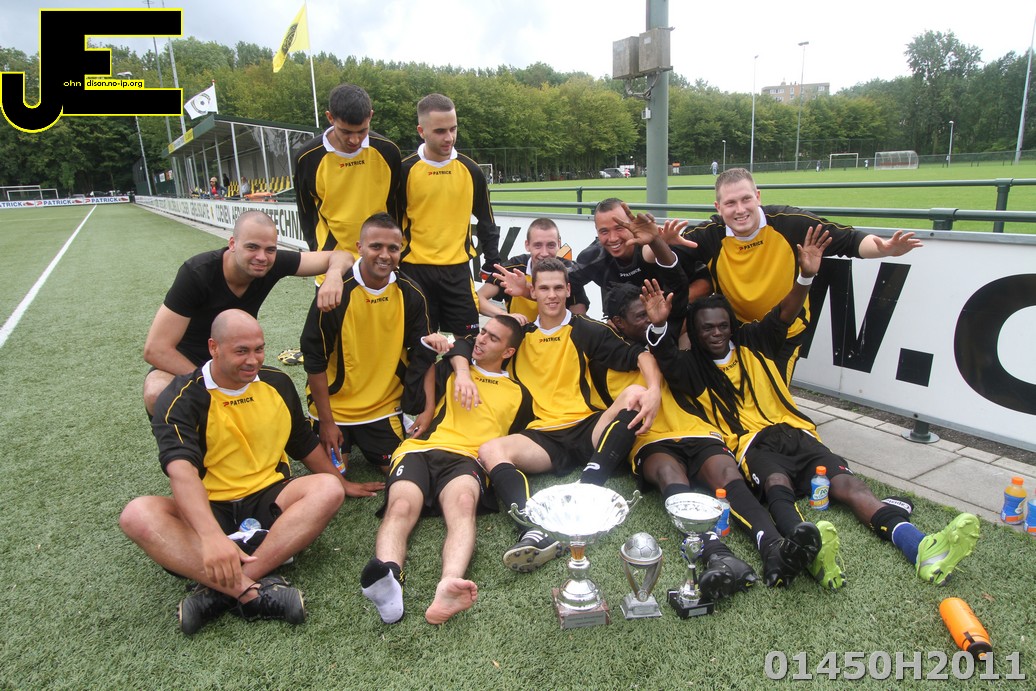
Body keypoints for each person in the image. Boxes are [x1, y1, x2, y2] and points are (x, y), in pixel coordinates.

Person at [644, 228, 980, 589]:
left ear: (731, 326)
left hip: (798, 432)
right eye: (707, 328)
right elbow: (664, 355)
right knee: (777, 486)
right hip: (752, 444)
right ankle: (809, 551)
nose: (716, 333)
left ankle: (919, 546)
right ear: (695, 332)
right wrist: (659, 324)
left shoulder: (755, 342)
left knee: (850, 485)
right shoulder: (691, 366)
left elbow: (784, 314)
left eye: (722, 326)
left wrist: (806, 276)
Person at [121, 310, 370, 635]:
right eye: (241, 351)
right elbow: (181, 473)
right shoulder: (180, 397)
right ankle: (250, 592)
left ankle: (222, 589)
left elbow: (302, 442)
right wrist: (211, 537)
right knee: (137, 514)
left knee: (328, 489)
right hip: (209, 509)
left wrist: (342, 482)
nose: (252, 360)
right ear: (214, 348)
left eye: (259, 349)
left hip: (270, 501)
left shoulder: (276, 383)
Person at [603, 284, 818, 590]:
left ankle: (773, 547)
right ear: (617, 323)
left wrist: (659, 325)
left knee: (728, 473)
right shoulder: (606, 356)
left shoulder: (673, 351)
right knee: (669, 473)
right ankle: (719, 556)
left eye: (651, 315)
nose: (648, 320)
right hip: (652, 440)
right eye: (641, 316)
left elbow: (666, 346)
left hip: (699, 432)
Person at [461, 257, 662, 573]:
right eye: (544, 288)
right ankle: (532, 528)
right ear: (533, 292)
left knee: (636, 394)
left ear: (569, 290)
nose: (552, 295)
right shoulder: (520, 334)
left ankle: (587, 487)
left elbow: (641, 355)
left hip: (588, 428)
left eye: (558, 287)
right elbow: (469, 346)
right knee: (490, 450)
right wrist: (461, 368)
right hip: (542, 437)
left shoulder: (587, 329)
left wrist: (654, 391)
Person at [666, 167, 922, 379]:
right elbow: (663, 256)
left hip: (784, 332)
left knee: (771, 401)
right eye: (730, 203)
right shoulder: (709, 234)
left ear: (758, 196)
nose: (740, 210)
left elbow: (849, 240)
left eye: (746, 199)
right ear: (718, 206)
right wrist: (655, 243)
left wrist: (885, 249)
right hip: (735, 331)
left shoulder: (791, 222)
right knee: (732, 396)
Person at [360, 316, 533, 625]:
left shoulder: (520, 394)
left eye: (493, 338)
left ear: (508, 352)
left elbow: (517, 443)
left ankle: (449, 584)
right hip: (421, 449)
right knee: (400, 505)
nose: (481, 339)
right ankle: (388, 578)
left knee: (463, 504)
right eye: (482, 332)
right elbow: (412, 399)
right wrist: (428, 353)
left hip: (467, 459)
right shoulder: (450, 370)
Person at [142, 210, 354, 418]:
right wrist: (211, 383)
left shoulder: (272, 263)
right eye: (252, 247)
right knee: (156, 392)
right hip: (187, 362)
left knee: (280, 391)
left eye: (270, 249)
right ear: (232, 244)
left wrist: (334, 275)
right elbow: (156, 349)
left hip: (237, 362)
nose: (261, 257)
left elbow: (341, 256)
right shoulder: (197, 273)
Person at [301, 213, 449, 476]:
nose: (385, 255)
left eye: (393, 248)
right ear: (359, 247)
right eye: (376, 246)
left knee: (397, 469)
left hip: (383, 406)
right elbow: (315, 360)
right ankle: (330, 431)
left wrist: (428, 410)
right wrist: (326, 422)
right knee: (334, 475)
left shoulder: (411, 293)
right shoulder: (335, 291)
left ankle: (382, 431)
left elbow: (424, 353)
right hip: (335, 408)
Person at [399, 93, 500, 337]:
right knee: (420, 346)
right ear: (421, 131)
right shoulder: (404, 170)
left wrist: (492, 264)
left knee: (467, 342)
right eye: (440, 131)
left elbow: (486, 221)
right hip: (414, 272)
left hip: (458, 272)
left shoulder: (471, 170)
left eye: (453, 129)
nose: (449, 138)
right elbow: (390, 224)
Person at [294, 83, 402, 264]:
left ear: (371, 116)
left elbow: (395, 206)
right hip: (331, 259)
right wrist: (317, 250)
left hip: (378, 260)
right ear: (330, 117)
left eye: (362, 131)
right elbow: (306, 212)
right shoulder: (307, 157)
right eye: (345, 131)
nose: (354, 139)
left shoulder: (388, 151)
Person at [571, 199, 703, 343]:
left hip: (677, 321)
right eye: (604, 231)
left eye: (619, 228)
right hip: (628, 332)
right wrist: (584, 323)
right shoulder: (593, 258)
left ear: (631, 224)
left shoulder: (660, 243)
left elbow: (704, 281)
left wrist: (666, 314)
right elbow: (565, 282)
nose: (613, 238)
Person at [477, 217, 589, 325]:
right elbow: (478, 299)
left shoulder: (570, 272)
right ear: (527, 245)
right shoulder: (514, 268)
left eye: (550, 245)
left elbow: (579, 319)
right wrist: (505, 316)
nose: (544, 253)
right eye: (538, 245)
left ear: (559, 244)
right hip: (520, 334)